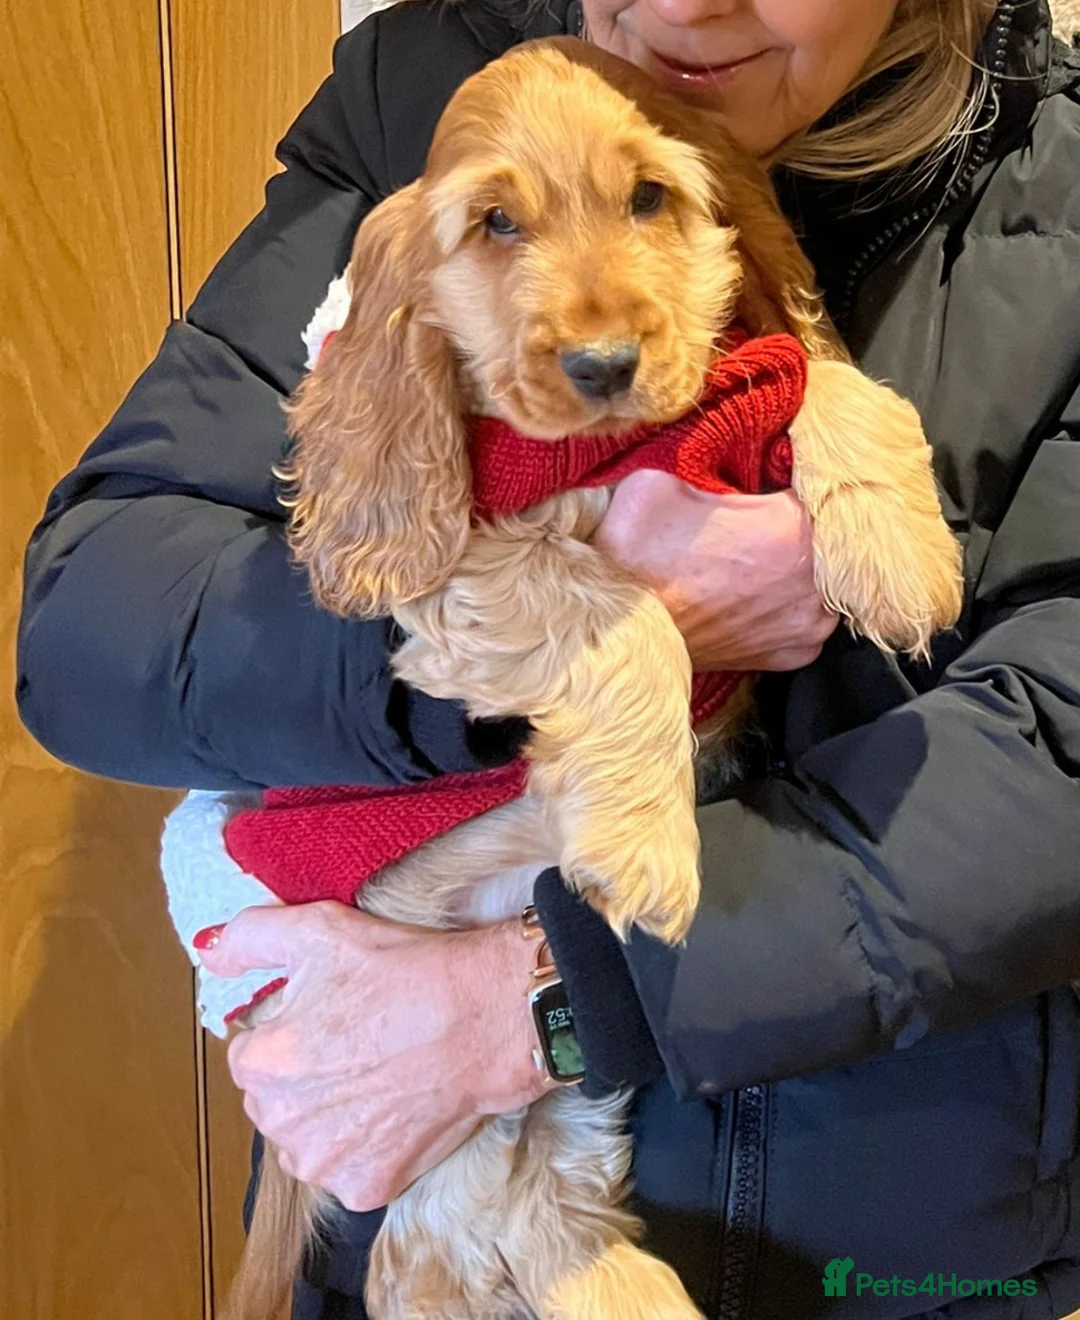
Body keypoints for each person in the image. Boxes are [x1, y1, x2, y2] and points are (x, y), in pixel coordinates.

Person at [16, 0, 1080, 1315]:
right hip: (401, 1193)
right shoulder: (410, 111)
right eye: (501, 226)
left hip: (896, 1252)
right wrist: (578, 636)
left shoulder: (1060, 193)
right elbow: (91, 629)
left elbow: (1055, 767)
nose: (684, 3)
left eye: (652, 198)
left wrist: (549, 998)